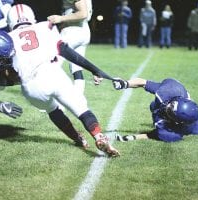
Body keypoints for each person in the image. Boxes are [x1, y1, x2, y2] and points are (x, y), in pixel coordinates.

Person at [7, 4, 120, 157]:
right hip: (52, 74)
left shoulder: (6, 39)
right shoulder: (45, 26)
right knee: (82, 109)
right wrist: (94, 69)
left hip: (31, 87)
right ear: (31, 17)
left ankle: (77, 138)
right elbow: (65, 51)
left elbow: (5, 77)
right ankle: (99, 136)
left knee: (53, 110)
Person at [113, 77, 198, 142]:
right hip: (177, 104)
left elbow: (153, 135)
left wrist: (135, 137)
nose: (167, 106)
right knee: (153, 105)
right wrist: (125, 83)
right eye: (171, 105)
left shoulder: (172, 132)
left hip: (195, 126)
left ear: (176, 122)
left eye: (170, 111)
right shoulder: (170, 91)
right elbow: (143, 82)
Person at [47, 0, 93, 94]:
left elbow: (82, 13)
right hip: (83, 30)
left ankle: (52, 99)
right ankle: (78, 99)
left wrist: (60, 18)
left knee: (52, 63)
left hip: (73, 32)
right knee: (76, 68)